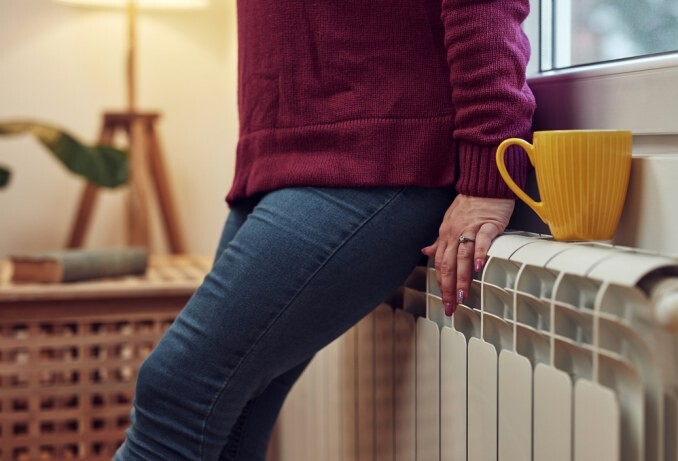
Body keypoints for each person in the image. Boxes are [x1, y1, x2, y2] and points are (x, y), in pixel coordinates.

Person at [114, 0, 535, 459]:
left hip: (379, 152)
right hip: (279, 157)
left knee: (175, 389)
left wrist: (493, 161)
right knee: (230, 424)